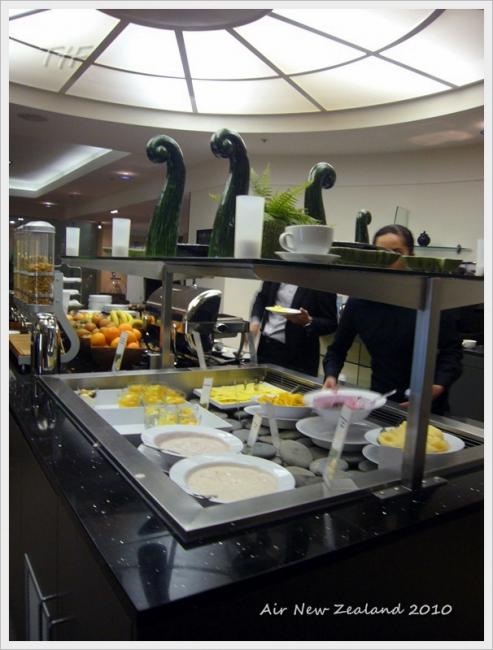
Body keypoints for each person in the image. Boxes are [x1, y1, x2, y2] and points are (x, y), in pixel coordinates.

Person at [322, 225, 462, 414]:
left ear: (411, 256)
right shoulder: (360, 301)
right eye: (381, 253)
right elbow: (337, 350)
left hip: (429, 405)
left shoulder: (430, 297)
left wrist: (438, 385)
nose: (386, 260)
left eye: (396, 253)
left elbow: (451, 352)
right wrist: (331, 376)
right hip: (381, 400)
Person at [250, 282, 338, 377]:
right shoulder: (276, 274)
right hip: (265, 346)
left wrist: (309, 321)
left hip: (298, 356)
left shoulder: (321, 280)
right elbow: (262, 297)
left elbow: (331, 324)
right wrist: (255, 320)